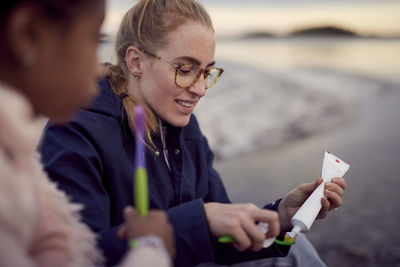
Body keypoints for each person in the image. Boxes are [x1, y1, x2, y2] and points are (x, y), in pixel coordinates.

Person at [39, 0, 347, 266]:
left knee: (293, 251)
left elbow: (219, 236)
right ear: (136, 61)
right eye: (185, 69)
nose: (200, 90)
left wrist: (279, 215)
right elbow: (77, 258)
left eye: (206, 72)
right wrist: (196, 222)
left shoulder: (186, 129)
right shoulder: (75, 131)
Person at [0, 0, 174, 266]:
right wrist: (151, 249)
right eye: (95, 40)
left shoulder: (18, 158)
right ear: (28, 34)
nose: (98, 69)